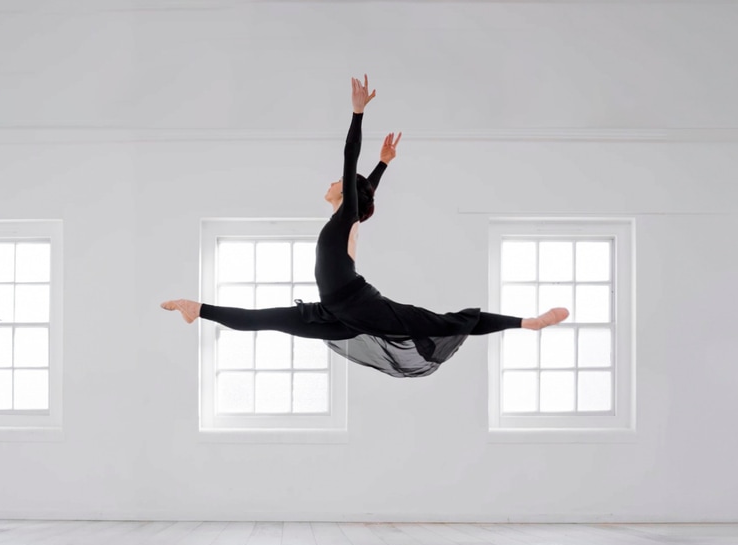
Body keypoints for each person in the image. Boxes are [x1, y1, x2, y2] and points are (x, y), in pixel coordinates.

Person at [162, 75, 568, 377]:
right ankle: (194, 308)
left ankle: (527, 322)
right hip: (332, 312)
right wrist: (385, 163)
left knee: (442, 321)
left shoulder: (344, 216)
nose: (331, 182)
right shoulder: (346, 215)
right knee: (260, 320)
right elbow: (363, 186)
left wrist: (358, 114)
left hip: (359, 304)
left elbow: (351, 164)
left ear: (345, 194)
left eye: (336, 182)